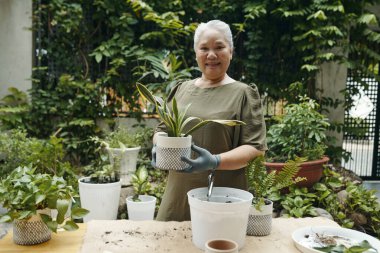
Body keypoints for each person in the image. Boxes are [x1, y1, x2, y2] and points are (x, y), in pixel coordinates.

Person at [153, 20, 267, 221]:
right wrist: (159, 145)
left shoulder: (243, 94)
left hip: (223, 197)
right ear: (196, 53)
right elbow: (161, 129)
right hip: (177, 196)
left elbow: (255, 148)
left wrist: (215, 161)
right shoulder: (181, 90)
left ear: (230, 51)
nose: (211, 55)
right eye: (204, 48)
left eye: (219, 47)